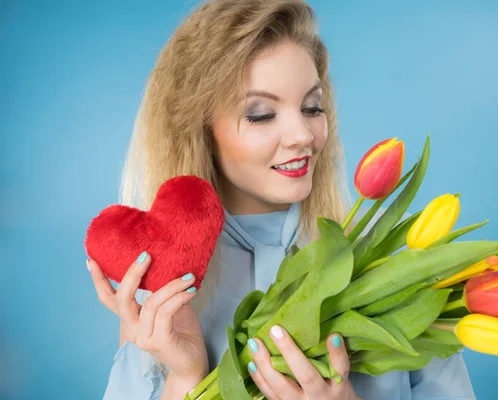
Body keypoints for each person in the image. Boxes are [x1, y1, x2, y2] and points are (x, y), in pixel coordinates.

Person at [87, 0, 476, 399]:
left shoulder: (395, 258)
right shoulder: (162, 294)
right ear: (200, 130)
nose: (303, 135)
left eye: (312, 107)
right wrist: (185, 377)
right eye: (260, 114)